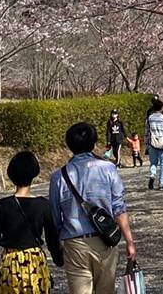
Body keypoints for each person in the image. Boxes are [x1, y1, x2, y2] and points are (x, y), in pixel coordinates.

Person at [49, 122, 136, 294]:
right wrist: (129, 242)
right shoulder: (108, 169)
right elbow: (119, 208)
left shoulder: (58, 177)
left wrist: (60, 243)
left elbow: (54, 216)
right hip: (105, 241)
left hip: (75, 244)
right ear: (94, 143)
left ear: (69, 145)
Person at [0, 150, 63, 294]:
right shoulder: (43, 205)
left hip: (11, 262)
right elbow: (52, 238)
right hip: (35, 261)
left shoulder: (3, 204)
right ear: (34, 174)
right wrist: (59, 259)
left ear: (11, 175)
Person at [145, 97, 163, 190]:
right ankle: (161, 184)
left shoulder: (149, 119)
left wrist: (146, 145)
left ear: (153, 108)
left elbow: (146, 133)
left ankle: (153, 174)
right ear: (162, 108)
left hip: (152, 144)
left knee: (153, 163)